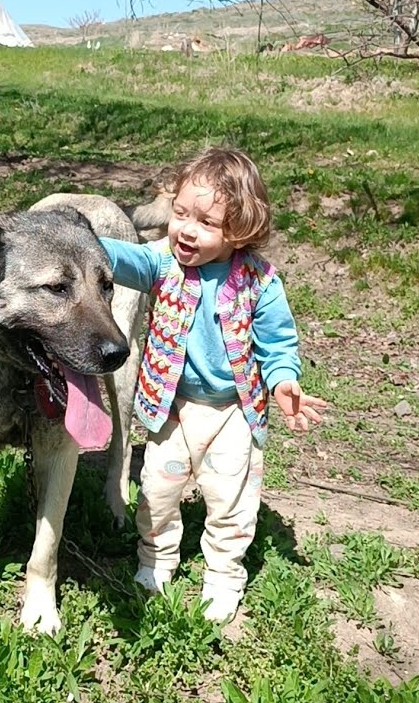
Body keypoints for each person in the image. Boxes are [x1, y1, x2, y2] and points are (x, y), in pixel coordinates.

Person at [98, 146, 328, 623]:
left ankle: (224, 576)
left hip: (234, 412)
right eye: (179, 212)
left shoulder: (259, 282)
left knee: (231, 501)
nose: (185, 229)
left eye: (205, 222)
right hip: (173, 407)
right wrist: (84, 241)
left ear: (239, 230)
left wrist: (284, 382)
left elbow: (278, 344)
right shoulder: (161, 261)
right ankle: (155, 560)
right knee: (157, 492)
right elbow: (123, 260)